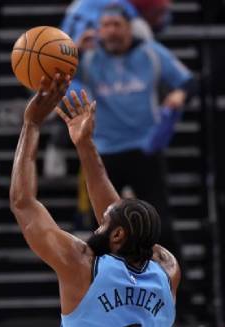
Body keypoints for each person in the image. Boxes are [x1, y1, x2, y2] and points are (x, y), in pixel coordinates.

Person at [10, 74, 178, 327]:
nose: (98, 221)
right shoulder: (167, 271)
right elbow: (120, 218)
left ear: (117, 236)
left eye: (105, 222)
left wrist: (31, 124)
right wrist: (85, 146)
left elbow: (23, 203)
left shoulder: (84, 267)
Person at [75, 4, 192, 257]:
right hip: (104, 152)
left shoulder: (151, 53)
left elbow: (187, 81)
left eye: (117, 25)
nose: (111, 31)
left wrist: (179, 94)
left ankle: (178, 289)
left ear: (130, 28)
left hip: (144, 148)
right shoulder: (89, 57)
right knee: (100, 228)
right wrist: (73, 50)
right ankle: (99, 285)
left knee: (162, 225)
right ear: (98, 31)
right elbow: (57, 74)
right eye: (105, 26)